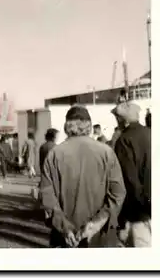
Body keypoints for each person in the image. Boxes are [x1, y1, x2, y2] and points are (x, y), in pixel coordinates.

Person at [39, 105, 126, 248]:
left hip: (64, 238)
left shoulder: (54, 154)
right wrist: (96, 223)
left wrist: (65, 227)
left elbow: (47, 196)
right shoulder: (106, 152)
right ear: (89, 126)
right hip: (98, 237)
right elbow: (118, 193)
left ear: (67, 126)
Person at [112, 102, 151, 247]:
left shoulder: (123, 140)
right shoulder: (150, 133)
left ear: (122, 120)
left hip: (138, 212)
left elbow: (128, 179)